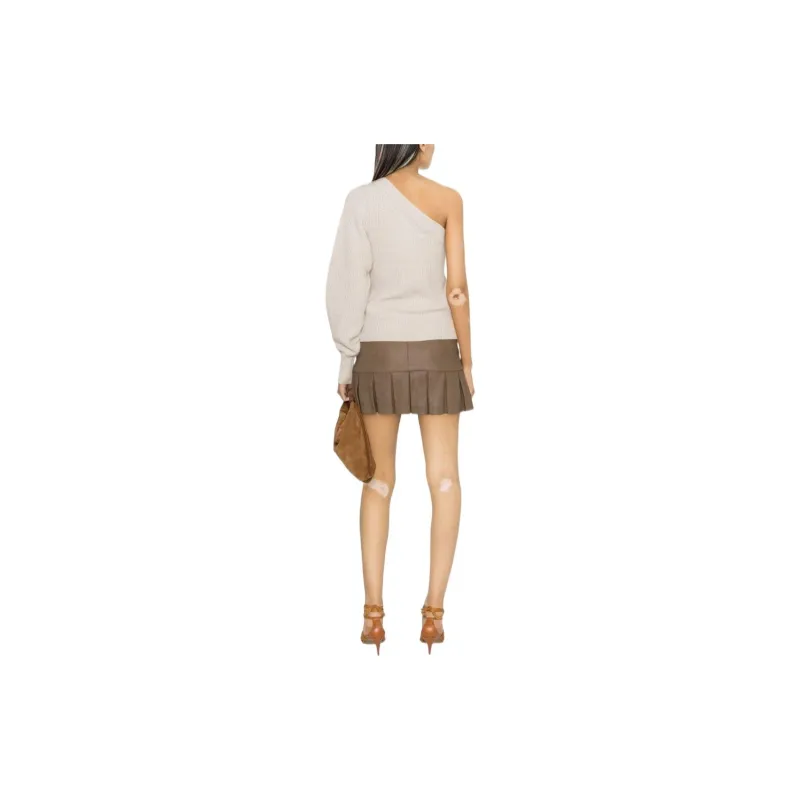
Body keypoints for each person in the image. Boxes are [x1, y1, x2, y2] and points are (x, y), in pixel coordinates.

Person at [325, 144, 474, 654]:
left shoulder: (361, 201)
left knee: (378, 482)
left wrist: (346, 359)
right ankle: (433, 616)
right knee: (445, 479)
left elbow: (348, 284)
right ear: (415, 143)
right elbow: (457, 290)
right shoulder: (448, 199)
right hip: (437, 350)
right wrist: (467, 360)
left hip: (378, 351)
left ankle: (373, 617)